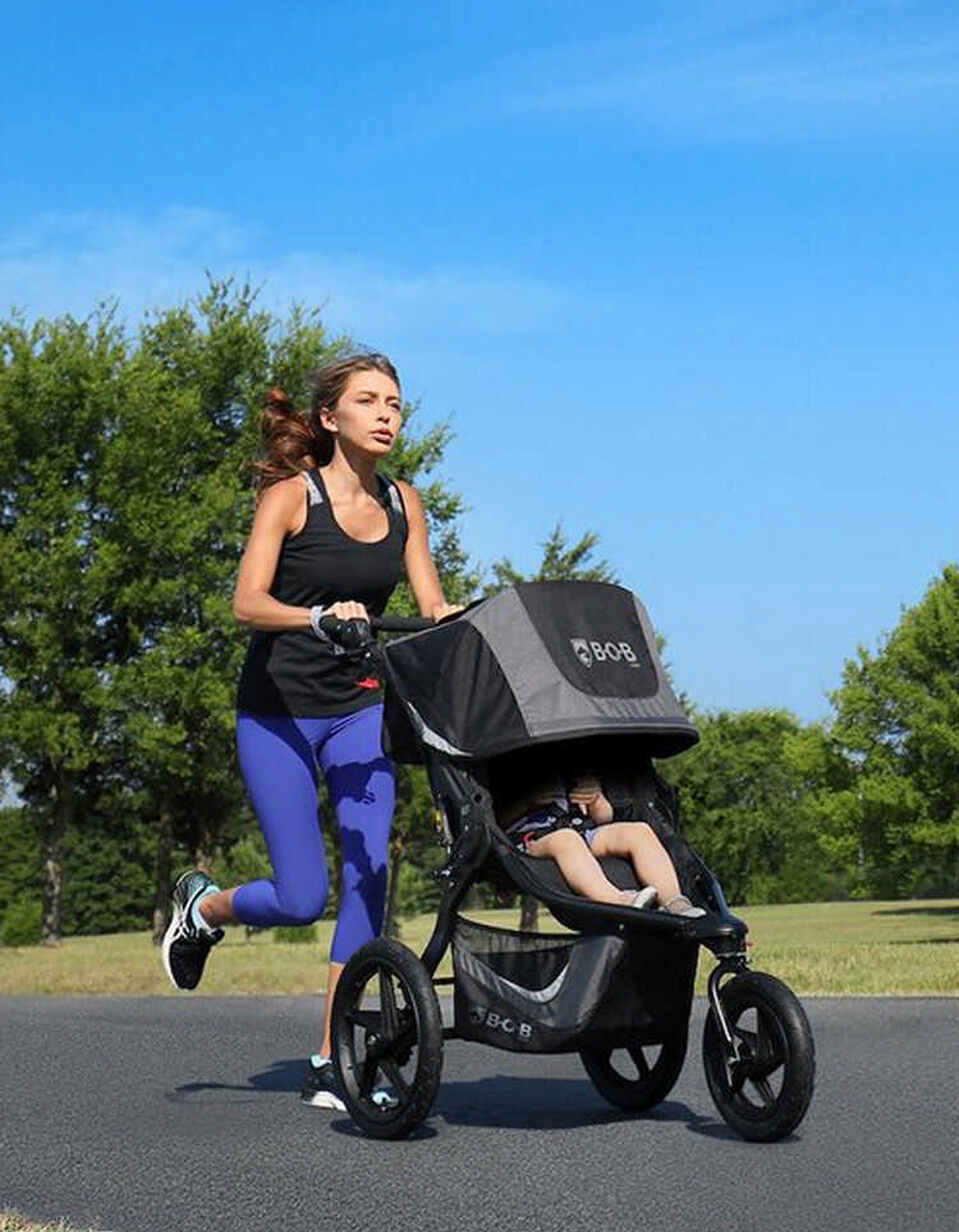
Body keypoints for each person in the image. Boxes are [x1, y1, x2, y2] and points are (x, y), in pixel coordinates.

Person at [161, 352, 459, 1111]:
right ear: (332, 418)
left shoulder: (406, 505)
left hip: (359, 710)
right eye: (370, 400)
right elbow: (246, 604)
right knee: (301, 896)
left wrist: (462, 620)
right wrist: (318, 616)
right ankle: (204, 909)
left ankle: (332, 1057)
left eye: (396, 401)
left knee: (368, 879)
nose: (388, 414)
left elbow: (430, 604)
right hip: (277, 714)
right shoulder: (291, 499)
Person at [498, 769, 705, 917]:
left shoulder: (575, 773)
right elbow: (497, 821)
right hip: (530, 841)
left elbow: (604, 818)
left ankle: (674, 900)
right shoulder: (515, 774)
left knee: (639, 831)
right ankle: (618, 900)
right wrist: (528, 802)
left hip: (581, 831)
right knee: (567, 840)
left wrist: (596, 799)